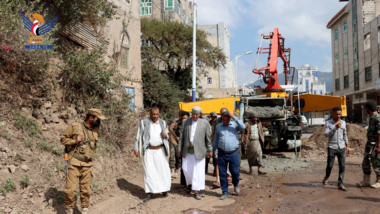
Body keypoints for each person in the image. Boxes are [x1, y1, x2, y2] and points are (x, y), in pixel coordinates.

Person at [61, 108, 106, 214]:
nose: (99, 121)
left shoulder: (96, 131)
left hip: (88, 164)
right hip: (74, 163)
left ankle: (85, 209)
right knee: (71, 190)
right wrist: (74, 141)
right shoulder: (75, 127)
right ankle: (69, 209)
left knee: (86, 190)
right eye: (98, 119)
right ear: (91, 117)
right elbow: (63, 139)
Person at [134, 107, 171, 202]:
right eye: (153, 114)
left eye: (157, 114)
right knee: (149, 172)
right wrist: (136, 148)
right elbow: (138, 136)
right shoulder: (144, 123)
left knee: (162, 171)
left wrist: (165, 135)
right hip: (148, 150)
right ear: (150, 114)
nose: (155, 116)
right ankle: (149, 192)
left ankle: (164, 190)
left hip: (160, 150)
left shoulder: (163, 123)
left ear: (159, 114)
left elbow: (167, 135)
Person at [178, 106, 212, 200]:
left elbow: (208, 138)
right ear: (191, 113)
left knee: (198, 170)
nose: (195, 116)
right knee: (186, 168)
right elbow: (181, 137)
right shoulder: (186, 122)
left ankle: (196, 190)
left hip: (199, 150)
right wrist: (179, 149)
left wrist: (209, 150)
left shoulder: (205, 123)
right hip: (187, 149)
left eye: (197, 114)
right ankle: (189, 184)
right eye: (193, 114)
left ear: (200, 114)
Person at [213, 111, 246, 200]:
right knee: (222, 173)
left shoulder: (235, 125)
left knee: (235, 172)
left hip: (233, 153)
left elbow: (243, 127)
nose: (225, 121)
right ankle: (225, 192)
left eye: (227, 119)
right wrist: (212, 150)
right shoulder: (218, 127)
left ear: (230, 118)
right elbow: (216, 140)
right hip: (221, 153)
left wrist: (234, 117)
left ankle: (236, 185)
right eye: (223, 119)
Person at [322, 106, 349, 191]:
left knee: (342, 166)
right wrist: (334, 128)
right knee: (330, 165)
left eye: (339, 114)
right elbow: (326, 134)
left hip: (341, 147)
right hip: (332, 147)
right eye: (336, 114)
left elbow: (345, 134)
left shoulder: (343, 123)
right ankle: (326, 177)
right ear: (333, 114)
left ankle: (340, 184)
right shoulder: (328, 123)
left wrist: (347, 146)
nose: (338, 116)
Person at [356, 101, 380, 188]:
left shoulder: (378, 118)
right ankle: (366, 181)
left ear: (368, 109)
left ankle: (379, 181)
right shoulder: (372, 117)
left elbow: (379, 133)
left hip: (376, 144)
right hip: (370, 144)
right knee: (365, 162)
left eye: (366, 108)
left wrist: (378, 146)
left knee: (376, 162)